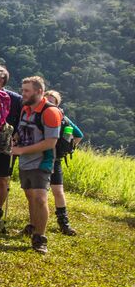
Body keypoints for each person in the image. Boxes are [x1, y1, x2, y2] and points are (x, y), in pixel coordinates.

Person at [12, 76, 62, 254]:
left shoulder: (50, 112)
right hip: (25, 161)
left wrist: (21, 151)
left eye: (26, 90)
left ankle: (40, 238)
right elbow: (22, 129)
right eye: (22, 89)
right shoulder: (26, 109)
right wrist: (16, 138)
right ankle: (33, 226)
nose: (22, 94)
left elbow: (50, 142)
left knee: (40, 198)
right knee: (30, 196)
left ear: (39, 92)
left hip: (42, 161)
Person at [0, 66, 23, 223]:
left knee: (2, 178)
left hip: (4, 143)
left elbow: (22, 120)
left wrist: (16, 136)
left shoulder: (16, 99)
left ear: (0, 81)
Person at [44, 90, 83, 235]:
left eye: (51, 101)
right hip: (43, 158)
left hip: (53, 160)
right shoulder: (43, 115)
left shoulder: (62, 118)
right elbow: (79, 136)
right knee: (40, 193)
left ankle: (63, 222)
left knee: (57, 191)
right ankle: (38, 221)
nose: (48, 102)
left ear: (57, 104)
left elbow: (79, 135)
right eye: (46, 99)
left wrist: (66, 150)